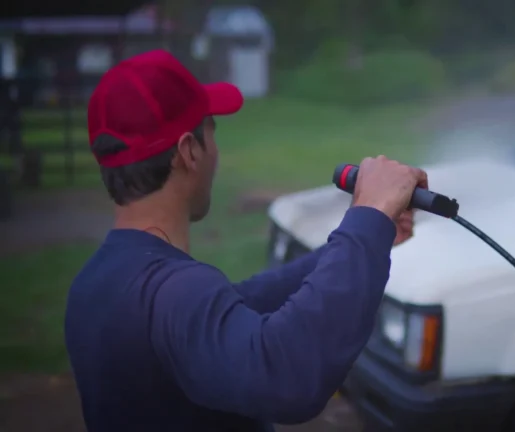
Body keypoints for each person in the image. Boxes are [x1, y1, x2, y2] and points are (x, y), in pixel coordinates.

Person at [64, 49, 428, 432]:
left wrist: (362, 242)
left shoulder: (92, 286)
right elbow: (288, 375)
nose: (215, 151)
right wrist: (367, 219)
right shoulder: (174, 293)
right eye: (211, 132)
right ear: (189, 151)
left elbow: (237, 304)